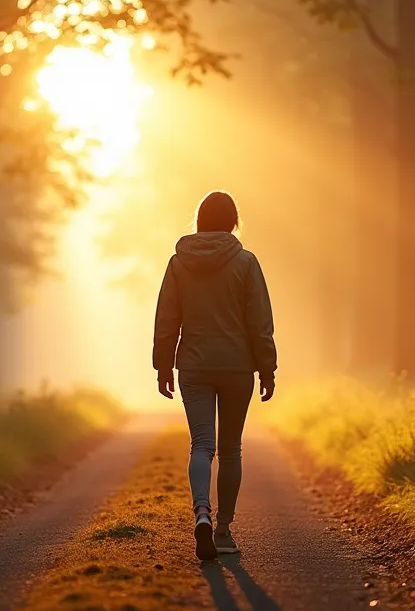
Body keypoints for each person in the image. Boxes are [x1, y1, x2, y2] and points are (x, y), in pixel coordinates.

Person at [152, 190, 277, 561]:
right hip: (238, 366)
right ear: (234, 222)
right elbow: (260, 322)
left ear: (200, 220)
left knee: (202, 445)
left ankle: (202, 514)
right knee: (231, 449)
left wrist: (163, 365)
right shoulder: (246, 262)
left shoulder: (178, 263)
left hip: (194, 366)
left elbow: (167, 319)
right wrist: (267, 368)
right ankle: (223, 531)